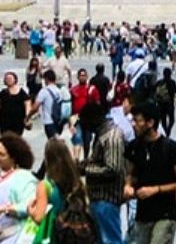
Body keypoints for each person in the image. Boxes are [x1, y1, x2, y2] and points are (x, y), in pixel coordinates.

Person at [124, 102, 176, 244]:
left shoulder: (170, 148)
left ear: (150, 123)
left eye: (138, 121)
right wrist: (128, 186)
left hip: (166, 212)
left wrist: (156, 189)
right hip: (143, 213)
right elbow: (130, 173)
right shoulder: (133, 147)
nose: (134, 124)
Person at [79, 102, 126, 244]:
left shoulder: (111, 137)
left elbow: (113, 168)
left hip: (107, 199)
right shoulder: (101, 134)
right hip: (98, 198)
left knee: (110, 240)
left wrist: (85, 170)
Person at [0, 134, 39, 243]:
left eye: (2, 154)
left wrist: (5, 209)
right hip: (0, 237)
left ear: (13, 158)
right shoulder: (4, 175)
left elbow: (30, 204)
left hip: (16, 237)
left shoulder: (23, 177)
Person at [0, 73, 31, 140]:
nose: (8, 80)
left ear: (15, 79)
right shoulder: (3, 92)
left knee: (16, 140)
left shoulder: (22, 92)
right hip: (4, 121)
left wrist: (27, 118)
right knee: (5, 139)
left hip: (18, 121)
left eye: (10, 78)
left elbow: (28, 105)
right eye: (6, 79)